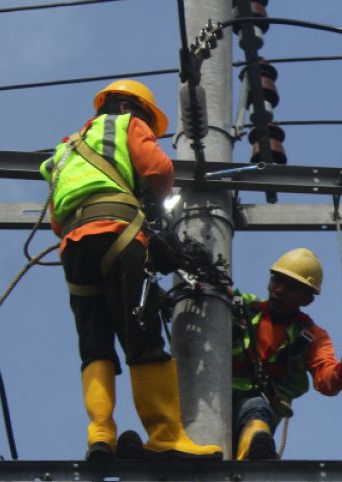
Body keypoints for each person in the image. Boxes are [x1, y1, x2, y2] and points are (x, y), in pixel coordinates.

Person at [40, 79, 221, 462]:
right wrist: (151, 204)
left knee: (94, 343)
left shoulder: (64, 149)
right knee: (142, 337)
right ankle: (166, 435)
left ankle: (101, 434)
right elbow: (158, 169)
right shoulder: (128, 125)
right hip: (118, 237)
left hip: (74, 245)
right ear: (134, 108)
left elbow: (56, 215)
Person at [231, 248, 342, 461]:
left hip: (258, 405)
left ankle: (253, 455)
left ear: (307, 299)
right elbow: (221, 296)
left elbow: (326, 379)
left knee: (255, 410)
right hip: (215, 392)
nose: (279, 290)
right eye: (276, 280)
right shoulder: (243, 308)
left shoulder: (310, 336)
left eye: (291, 287)